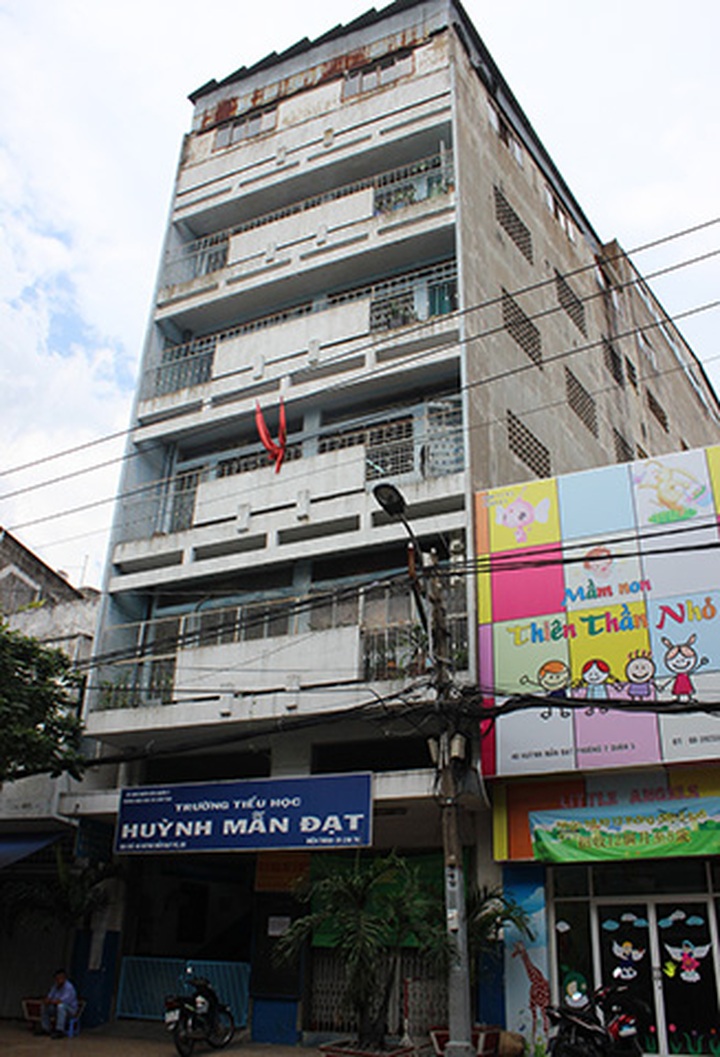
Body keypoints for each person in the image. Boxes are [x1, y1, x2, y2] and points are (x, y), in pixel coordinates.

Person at [38, 968, 79, 1038]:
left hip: (70, 1010)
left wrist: (50, 1001)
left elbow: (61, 1001)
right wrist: (46, 1001)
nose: (58, 980)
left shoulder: (69, 988)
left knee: (61, 1006)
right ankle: (46, 1028)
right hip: (57, 1008)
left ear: (64, 978)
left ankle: (60, 1030)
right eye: (56, 979)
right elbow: (49, 997)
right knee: (45, 1006)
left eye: (60, 978)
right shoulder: (55, 986)